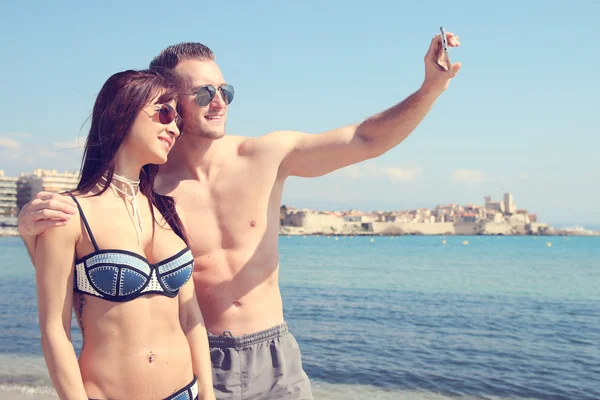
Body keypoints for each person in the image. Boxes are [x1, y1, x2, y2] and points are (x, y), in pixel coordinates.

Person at [19, 32, 461, 400]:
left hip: (277, 358)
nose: (219, 102)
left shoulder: (265, 156)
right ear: (170, 103)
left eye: (225, 91)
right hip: (202, 364)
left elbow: (365, 139)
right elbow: (88, 278)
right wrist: (31, 235)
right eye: (205, 93)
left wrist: (430, 89)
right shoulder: (149, 188)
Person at [31, 68, 215, 400]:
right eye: (164, 113)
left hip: (185, 392)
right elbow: (55, 332)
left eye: (178, 121)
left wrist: (209, 395)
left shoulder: (170, 212)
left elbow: (190, 317)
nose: (173, 127)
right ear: (123, 113)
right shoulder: (68, 215)